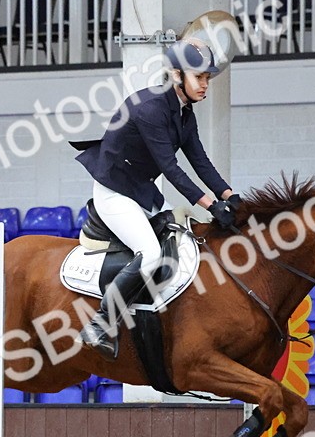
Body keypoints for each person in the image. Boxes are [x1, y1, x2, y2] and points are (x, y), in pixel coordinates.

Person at [72, 37, 241, 360]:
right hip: (115, 191)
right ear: (177, 75)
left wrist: (231, 196)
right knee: (149, 254)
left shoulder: (184, 113)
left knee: (184, 243)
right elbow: (170, 167)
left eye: (207, 78)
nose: (206, 85)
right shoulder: (151, 110)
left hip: (142, 192)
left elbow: (200, 161)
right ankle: (100, 323)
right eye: (200, 77)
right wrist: (209, 205)